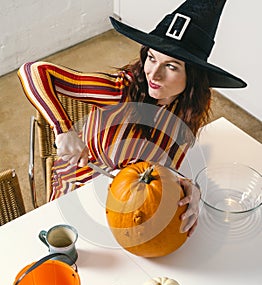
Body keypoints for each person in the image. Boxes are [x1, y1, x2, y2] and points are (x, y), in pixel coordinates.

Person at [18, 0, 246, 236]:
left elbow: (164, 166)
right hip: (79, 190)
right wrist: (63, 129)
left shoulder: (187, 110)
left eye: (172, 66)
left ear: (194, 77)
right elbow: (33, 71)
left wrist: (189, 186)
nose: (154, 74)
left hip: (133, 199)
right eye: (152, 57)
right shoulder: (120, 91)